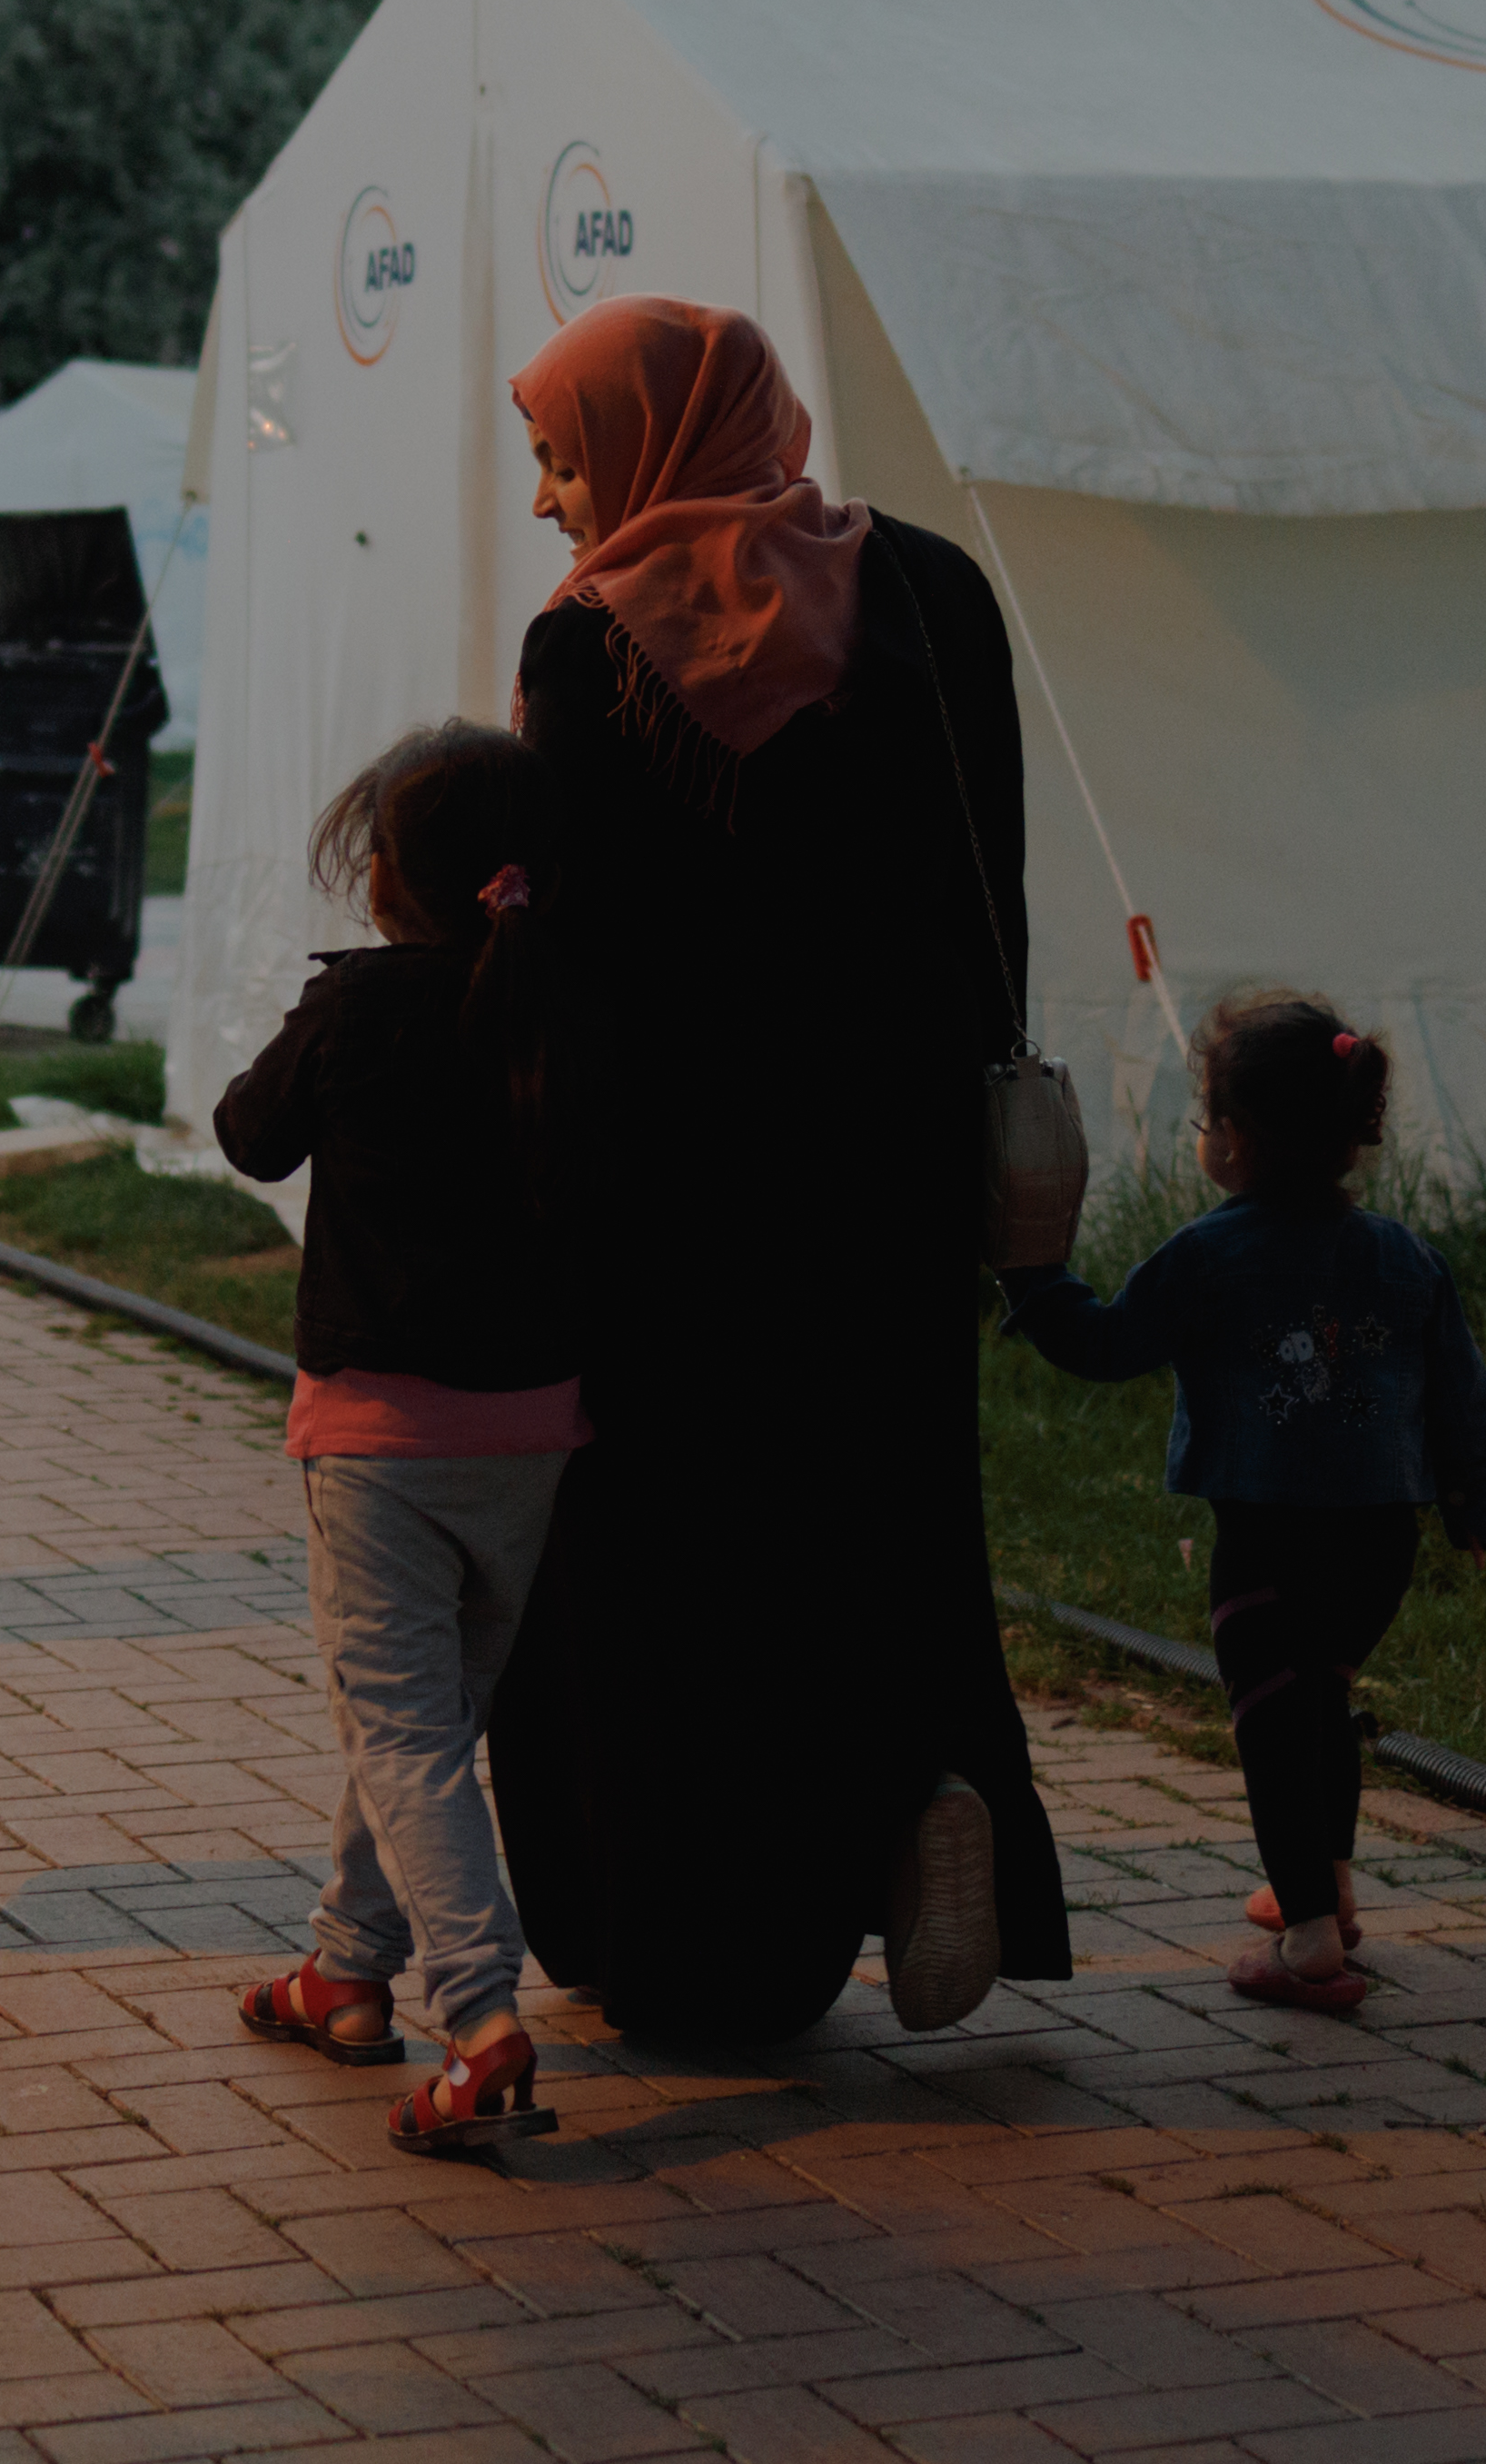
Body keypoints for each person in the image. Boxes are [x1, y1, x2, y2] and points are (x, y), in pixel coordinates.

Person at [477, 293, 1072, 2046]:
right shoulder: (936, 592)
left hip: (673, 1199)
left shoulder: (593, 649)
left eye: (560, 456)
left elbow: (571, 951)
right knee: (878, 1508)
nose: (548, 499)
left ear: (644, 439)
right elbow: (993, 889)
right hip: (887, 1171)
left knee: (668, 1554)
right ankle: (910, 1790)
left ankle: (698, 1947)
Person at [213, 721, 578, 2157]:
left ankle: (480, 2019)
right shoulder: (555, 1009)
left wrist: (322, 1023)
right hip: (534, 1431)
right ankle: (344, 1971)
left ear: (384, 879)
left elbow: (249, 1135)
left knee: (404, 1730)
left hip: (376, 1439)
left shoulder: (358, 1013)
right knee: (428, 1723)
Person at [996, 992, 1486, 2018]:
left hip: (1268, 1536)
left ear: (1232, 1141)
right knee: (1319, 1698)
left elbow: (1106, 1344)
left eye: (1201, 1121)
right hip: (1378, 1546)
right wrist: (1470, 1504)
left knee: (1271, 1725)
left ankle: (1311, 1947)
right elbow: (1463, 1396)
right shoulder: (1406, 1254)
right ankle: (1330, 1890)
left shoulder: (1208, 1252)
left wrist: (1030, 1277)